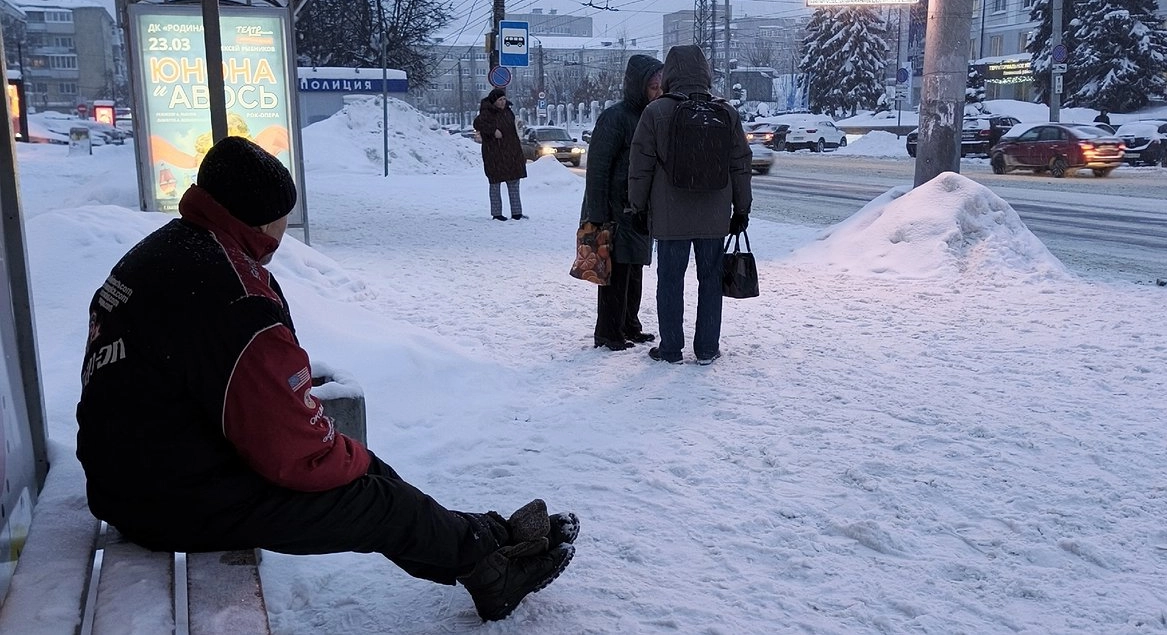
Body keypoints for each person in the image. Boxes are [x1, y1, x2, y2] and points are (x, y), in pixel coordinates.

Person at [75, 136, 576, 622]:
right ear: (265, 220)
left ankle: (484, 545)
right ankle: (490, 567)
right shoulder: (236, 298)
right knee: (377, 502)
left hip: (138, 476)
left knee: (368, 476)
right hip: (171, 499)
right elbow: (299, 456)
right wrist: (348, 456)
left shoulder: (169, 249)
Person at [627, 44, 752, 365]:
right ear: (705, 72)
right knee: (710, 280)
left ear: (669, 74)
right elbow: (740, 164)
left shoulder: (655, 112)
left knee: (670, 280)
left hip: (670, 216)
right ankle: (707, 348)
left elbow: (639, 166)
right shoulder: (726, 112)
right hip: (714, 215)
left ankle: (670, 348)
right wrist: (741, 209)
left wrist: (637, 207)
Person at [582, 54, 664, 351]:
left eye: (660, 86)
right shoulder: (615, 117)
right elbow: (598, 168)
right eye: (653, 86)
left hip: (638, 209)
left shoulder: (651, 115)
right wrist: (598, 213)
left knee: (635, 270)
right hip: (614, 210)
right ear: (638, 85)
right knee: (614, 275)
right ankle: (608, 332)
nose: (657, 92)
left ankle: (630, 325)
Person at [473, 88, 527, 221]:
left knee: (514, 183)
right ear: (494, 101)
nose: (503, 102)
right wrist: (492, 131)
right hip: (494, 155)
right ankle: (497, 214)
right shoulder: (487, 113)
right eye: (499, 100)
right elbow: (477, 123)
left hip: (511, 152)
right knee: (495, 184)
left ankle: (517, 213)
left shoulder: (508, 112)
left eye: (504, 99)